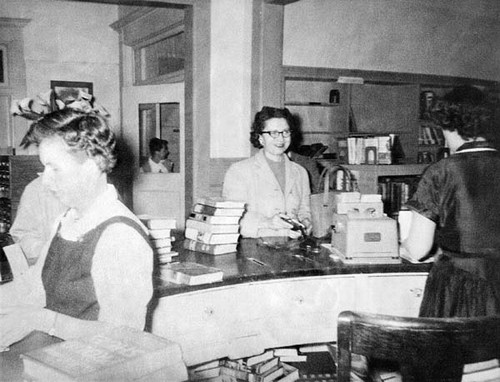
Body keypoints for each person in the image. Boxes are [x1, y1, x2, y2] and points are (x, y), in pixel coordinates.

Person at [0, 109, 153, 349]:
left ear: (91, 166)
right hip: (55, 354)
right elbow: (33, 286)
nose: (45, 181)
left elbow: (123, 337)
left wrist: (42, 320)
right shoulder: (66, 220)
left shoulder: (120, 235)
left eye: (55, 169)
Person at [402, 88, 500, 318]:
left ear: (451, 126)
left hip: (460, 289)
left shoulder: (441, 172)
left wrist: (401, 244)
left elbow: (418, 249)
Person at [222, 106, 312, 238]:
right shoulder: (238, 171)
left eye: (285, 132)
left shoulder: (300, 172)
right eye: (274, 133)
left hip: (294, 246)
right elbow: (233, 219)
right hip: (254, 248)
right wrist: (268, 222)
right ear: (260, 138)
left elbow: (305, 210)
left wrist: (306, 222)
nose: (281, 139)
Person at [9, 176, 67, 263]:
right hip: (53, 265)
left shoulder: (91, 185)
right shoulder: (36, 189)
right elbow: (22, 233)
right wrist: (48, 253)